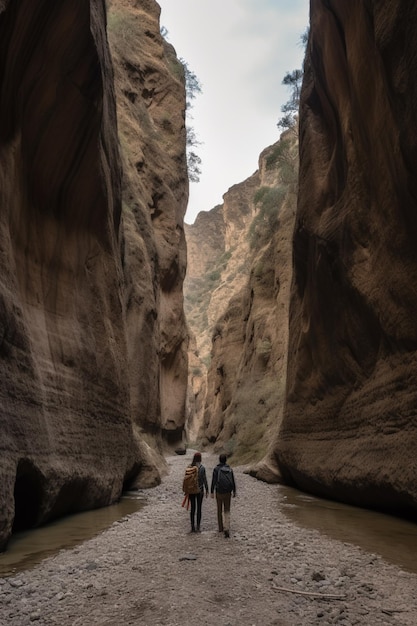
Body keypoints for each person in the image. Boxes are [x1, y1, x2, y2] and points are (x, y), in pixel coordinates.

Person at [210, 453, 236, 538]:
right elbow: (232, 480)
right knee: (227, 510)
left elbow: (213, 481)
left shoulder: (216, 469)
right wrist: (234, 491)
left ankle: (220, 528)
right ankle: (227, 527)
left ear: (219, 460)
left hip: (219, 492)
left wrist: (211, 491)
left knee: (219, 510)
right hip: (228, 492)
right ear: (226, 460)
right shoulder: (229, 469)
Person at [188, 452, 209, 533]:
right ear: (200, 458)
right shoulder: (202, 468)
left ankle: (192, 527)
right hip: (200, 491)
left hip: (191, 491)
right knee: (199, 509)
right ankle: (198, 527)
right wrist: (207, 489)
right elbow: (204, 480)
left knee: (192, 509)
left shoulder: (190, 467)